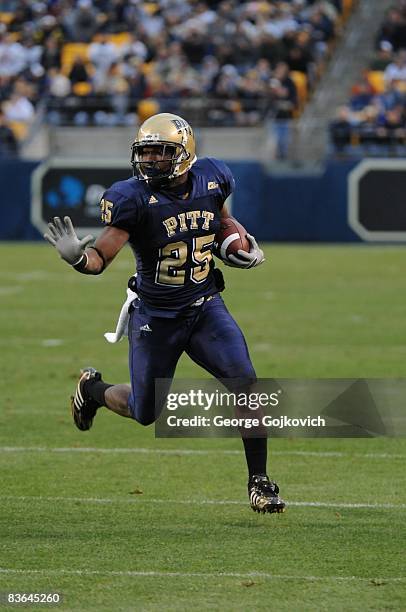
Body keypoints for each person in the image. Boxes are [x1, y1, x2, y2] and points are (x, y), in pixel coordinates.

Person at [44, 112, 285, 514]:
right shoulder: (133, 198)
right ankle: (94, 391)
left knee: (246, 384)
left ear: (185, 152)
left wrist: (239, 247)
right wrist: (77, 260)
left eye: (161, 152)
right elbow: (100, 257)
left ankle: (259, 481)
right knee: (144, 411)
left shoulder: (213, 178)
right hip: (156, 317)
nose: (151, 160)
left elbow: (221, 221)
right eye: (147, 152)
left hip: (206, 307)